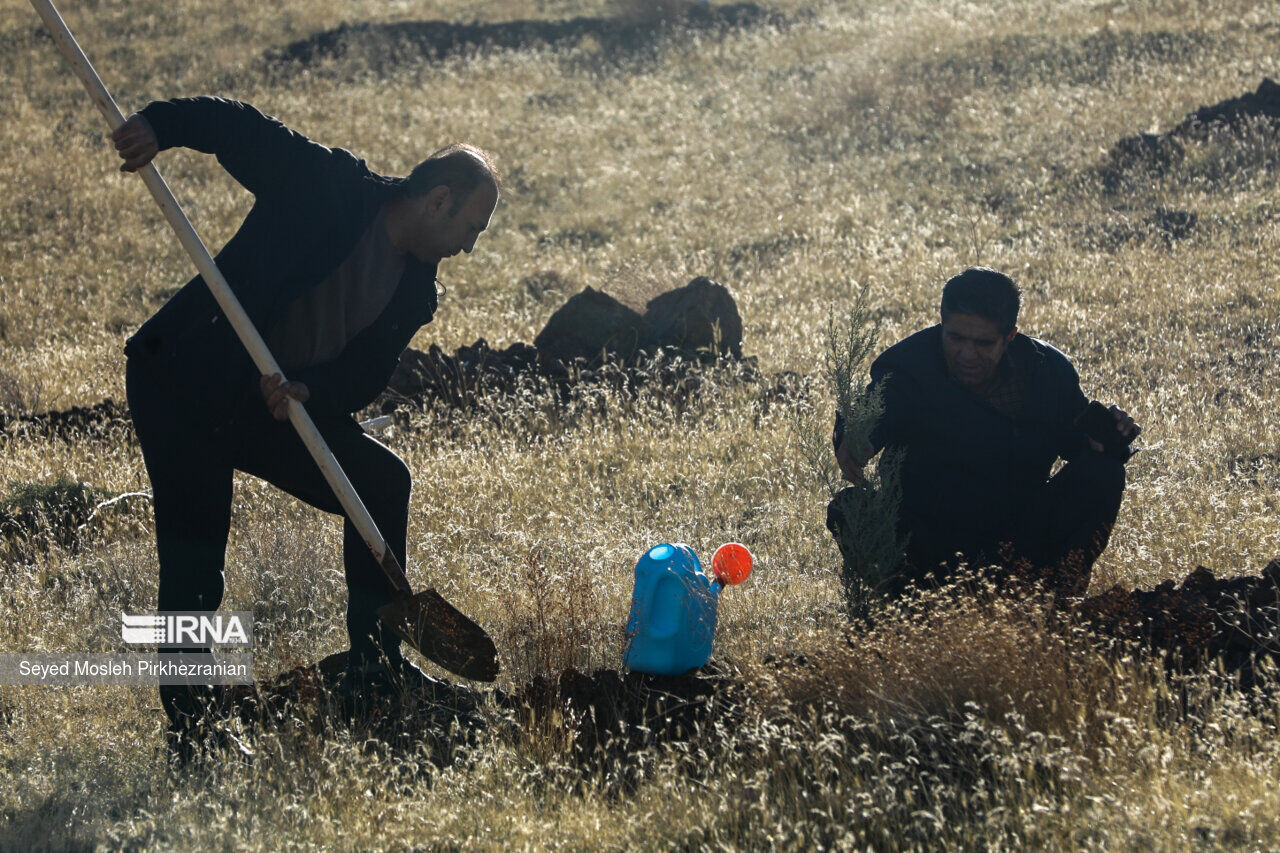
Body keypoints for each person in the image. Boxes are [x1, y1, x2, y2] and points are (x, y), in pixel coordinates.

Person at [112, 96, 499, 756]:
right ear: (438, 200)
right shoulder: (330, 186)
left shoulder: (415, 290)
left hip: (274, 405)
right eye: (472, 225)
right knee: (194, 567)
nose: (470, 243)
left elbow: (364, 372)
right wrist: (161, 127)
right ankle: (193, 730)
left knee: (380, 482)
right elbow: (241, 130)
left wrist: (309, 388)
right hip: (186, 380)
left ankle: (375, 668)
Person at [828, 267, 1139, 600]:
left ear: (1010, 337)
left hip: (1018, 539)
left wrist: (1109, 440)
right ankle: (899, 616)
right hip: (925, 543)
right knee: (850, 508)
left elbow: (1082, 450)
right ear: (941, 324)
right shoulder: (908, 367)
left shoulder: (1047, 374)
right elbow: (875, 413)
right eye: (956, 338)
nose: (966, 354)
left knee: (1102, 473)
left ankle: (1055, 609)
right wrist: (855, 438)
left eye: (983, 343)